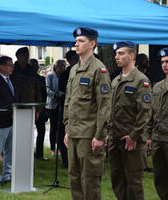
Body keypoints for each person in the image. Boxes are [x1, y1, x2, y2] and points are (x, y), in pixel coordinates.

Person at [63, 27, 111, 200]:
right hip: (74, 133)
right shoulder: (74, 69)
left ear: (92, 43)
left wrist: (99, 135)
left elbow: (104, 105)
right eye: (76, 41)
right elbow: (69, 101)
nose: (76, 43)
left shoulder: (99, 69)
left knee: (89, 180)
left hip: (89, 135)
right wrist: (67, 129)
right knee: (74, 178)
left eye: (81, 41)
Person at [108, 41, 152, 200]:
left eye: (121, 53)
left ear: (132, 56)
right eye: (116, 54)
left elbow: (145, 112)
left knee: (134, 185)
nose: (116, 57)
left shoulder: (141, 80)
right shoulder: (116, 81)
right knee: (117, 181)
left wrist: (134, 136)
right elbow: (111, 111)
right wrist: (108, 133)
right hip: (115, 139)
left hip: (132, 142)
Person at [0, 56, 19, 185]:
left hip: (13, 121)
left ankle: (7, 174)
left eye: (12, 65)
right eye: (9, 65)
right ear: (1, 67)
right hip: (0, 122)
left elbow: (16, 99)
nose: (12, 67)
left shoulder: (12, 80)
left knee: (10, 150)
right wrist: (10, 113)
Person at [147, 47, 168, 199]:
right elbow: (151, 113)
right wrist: (148, 136)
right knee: (160, 177)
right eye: (162, 62)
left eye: (167, 62)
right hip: (158, 139)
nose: (164, 65)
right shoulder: (157, 86)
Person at [29, 59, 48, 161]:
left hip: (40, 109)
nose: (35, 67)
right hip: (28, 109)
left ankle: (39, 154)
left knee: (41, 132)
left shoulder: (41, 79)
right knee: (28, 133)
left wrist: (40, 109)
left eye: (36, 65)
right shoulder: (26, 78)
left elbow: (44, 95)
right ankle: (29, 153)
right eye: (32, 65)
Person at [46, 60, 66, 158]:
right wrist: (56, 94)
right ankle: (53, 149)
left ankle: (60, 148)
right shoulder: (50, 76)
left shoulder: (65, 76)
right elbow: (47, 89)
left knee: (61, 128)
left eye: (64, 66)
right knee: (53, 127)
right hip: (53, 105)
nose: (62, 68)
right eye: (60, 66)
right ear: (56, 67)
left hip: (62, 105)